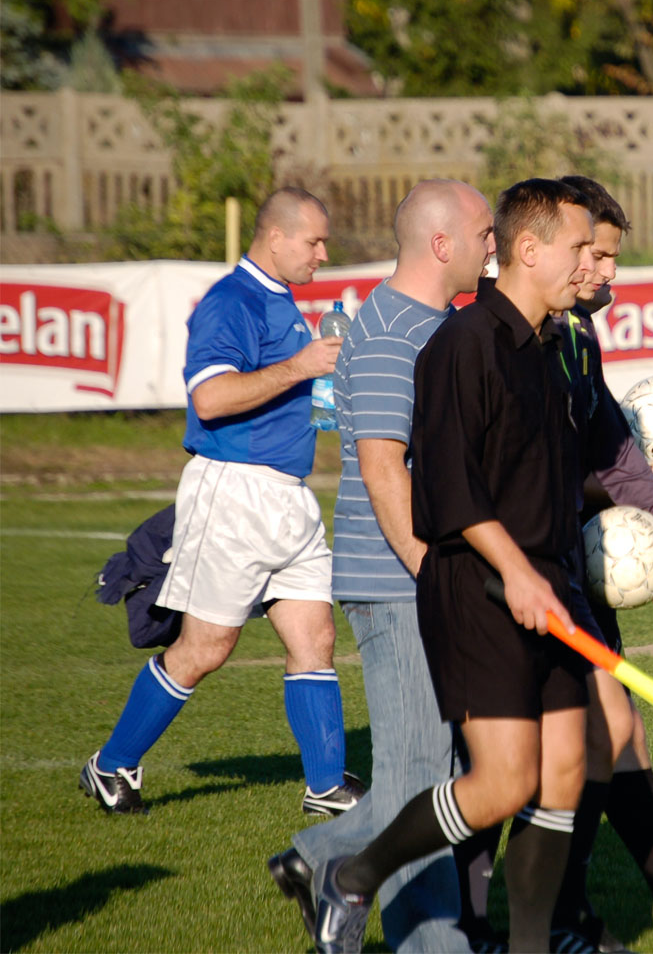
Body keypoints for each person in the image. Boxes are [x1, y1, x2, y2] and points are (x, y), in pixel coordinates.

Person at [453, 176, 653, 954]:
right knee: (499, 766)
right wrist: (616, 497)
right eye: (592, 253)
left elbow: (607, 450)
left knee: (606, 733)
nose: (602, 271)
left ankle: (613, 910)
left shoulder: (573, 337)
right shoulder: (491, 337)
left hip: (563, 566)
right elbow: (503, 475)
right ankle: (434, 908)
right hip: (499, 577)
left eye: (608, 257)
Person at [307, 178, 597, 954]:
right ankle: (350, 875)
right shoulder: (455, 344)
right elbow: (442, 487)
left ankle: (528, 943)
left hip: (545, 587)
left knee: (563, 770)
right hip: (478, 587)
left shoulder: (545, 347)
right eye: (578, 249)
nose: (590, 265)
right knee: (489, 780)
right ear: (529, 251)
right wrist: (480, 575)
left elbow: (543, 476)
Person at [79, 187, 365, 817]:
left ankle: (325, 786)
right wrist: (300, 366)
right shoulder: (230, 301)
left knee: (314, 636)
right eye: (314, 241)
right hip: (234, 492)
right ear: (276, 238)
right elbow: (209, 399)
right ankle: (110, 764)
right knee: (207, 648)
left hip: (289, 497)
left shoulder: (282, 301)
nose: (323, 253)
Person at [268, 180, 494, 952]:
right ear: (443, 245)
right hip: (399, 583)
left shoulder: (431, 323)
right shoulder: (398, 331)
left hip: (418, 578)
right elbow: (381, 464)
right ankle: (324, 863)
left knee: (438, 776)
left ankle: (385, 907)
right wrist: (432, 572)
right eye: (484, 233)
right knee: (419, 784)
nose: (491, 245)